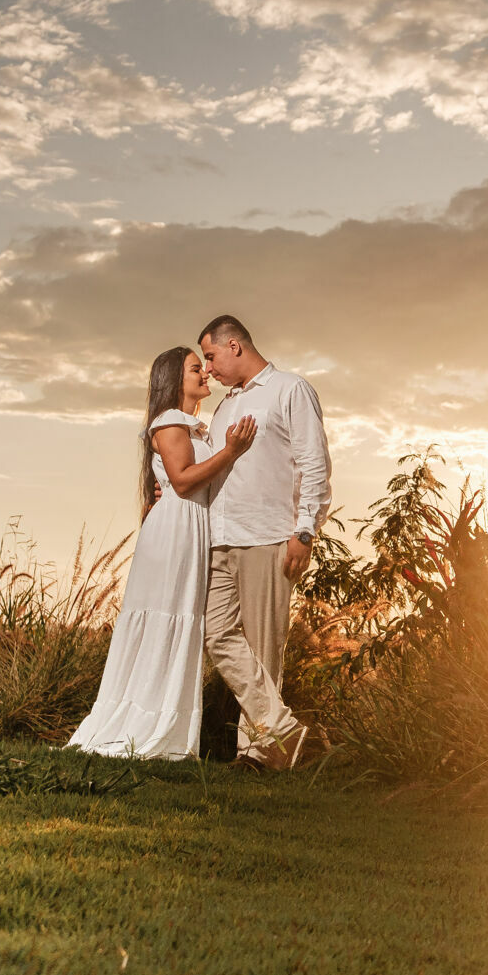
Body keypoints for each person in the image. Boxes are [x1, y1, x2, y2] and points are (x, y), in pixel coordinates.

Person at [66, 346, 296, 765]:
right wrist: (230, 452)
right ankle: (143, 721)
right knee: (165, 620)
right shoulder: (171, 421)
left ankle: (169, 723)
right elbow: (184, 482)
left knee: (184, 624)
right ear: (175, 380)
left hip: (193, 530)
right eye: (196, 368)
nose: (205, 372)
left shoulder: (195, 428)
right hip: (176, 532)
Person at [197, 314, 330, 761]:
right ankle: (285, 731)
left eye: (211, 356)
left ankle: (257, 753)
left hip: (269, 535)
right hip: (218, 537)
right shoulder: (224, 407)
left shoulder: (290, 389)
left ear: (234, 346)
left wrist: (305, 531)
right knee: (216, 635)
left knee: (263, 647)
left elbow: (314, 464)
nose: (208, 368)